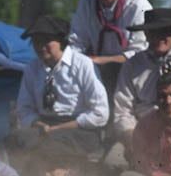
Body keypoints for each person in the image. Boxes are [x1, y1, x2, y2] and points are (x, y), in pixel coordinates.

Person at [110, 8, 171, 166]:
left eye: (164, 32)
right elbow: (122, 110)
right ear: (146, 35)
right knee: (112, 162)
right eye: (152, 32)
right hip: (141, 134)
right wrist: (132, 138)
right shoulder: (132, 65)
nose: (158, 37)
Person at [12, 15, 109, 158]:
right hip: (43, 127)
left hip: (79, 129)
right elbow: (24, 108)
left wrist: (59, 128)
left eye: (46, 41)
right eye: (36, 41)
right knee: (12, 141)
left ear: (61, 41)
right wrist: (38, 123)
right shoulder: (32, 68)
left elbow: (100, 113)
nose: (40, 46)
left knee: (49, 147)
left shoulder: (83, 64)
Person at [67, 0, 152, 92]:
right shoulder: (86, 4)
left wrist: (102, 61)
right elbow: (76, 42)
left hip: (133, 72)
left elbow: (140, 52)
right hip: (93, 72)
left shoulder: (138, 5)